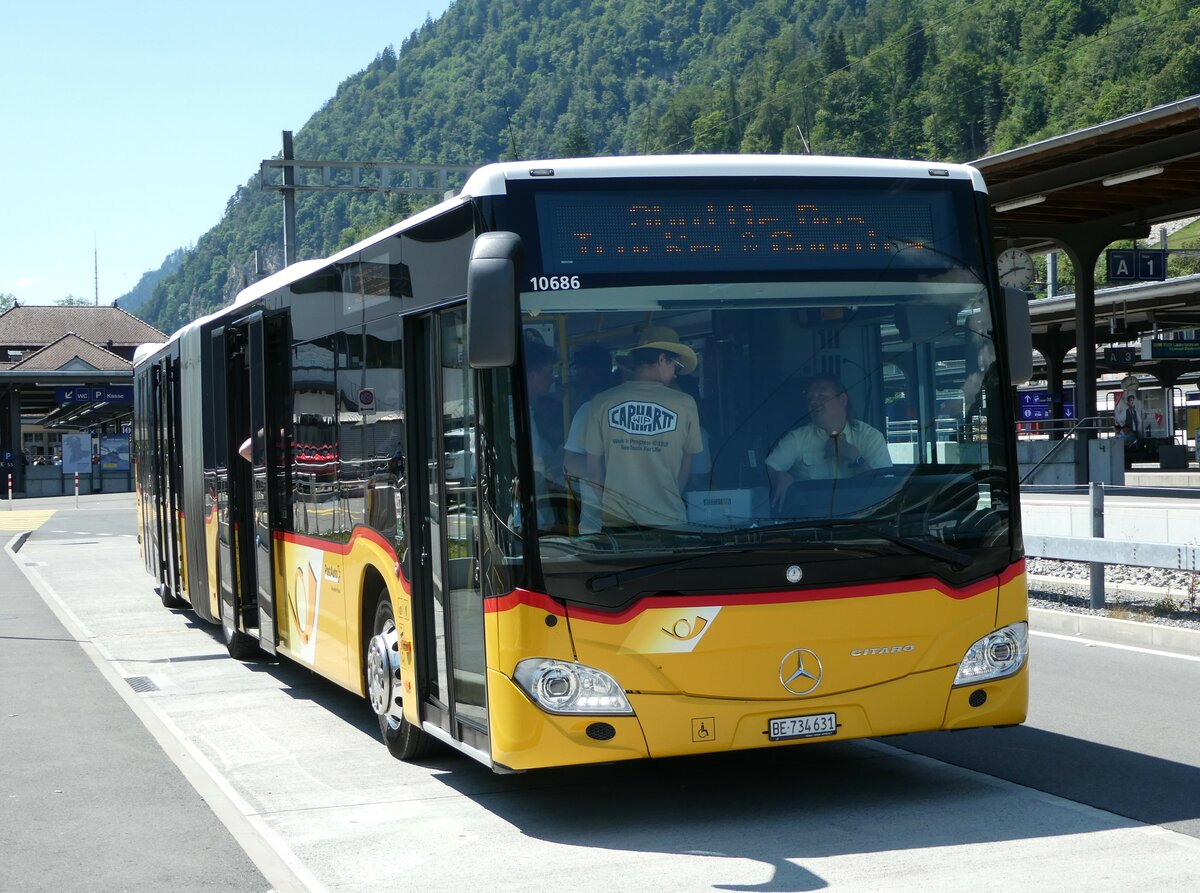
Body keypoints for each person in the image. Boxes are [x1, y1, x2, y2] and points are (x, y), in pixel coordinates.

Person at [584, 326, 703, 529]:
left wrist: (611, 507)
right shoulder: (685, 404)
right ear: (662, 359)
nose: (676, 373)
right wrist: (671, 498)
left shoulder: (602, 402)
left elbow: (594, 466)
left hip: (617, 523)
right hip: (668, 520)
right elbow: (687, 463)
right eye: (676, 364)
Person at [766, 373, 891, 511]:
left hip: (861, 519)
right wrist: (778, 476)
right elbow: (768, 468)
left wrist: (855, 458)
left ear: (842, 401)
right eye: (810, 398)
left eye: (821, 396)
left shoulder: (871, 437)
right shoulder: (798, 438)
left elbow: (883, 489)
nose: (813, 402)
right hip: (811, 521)